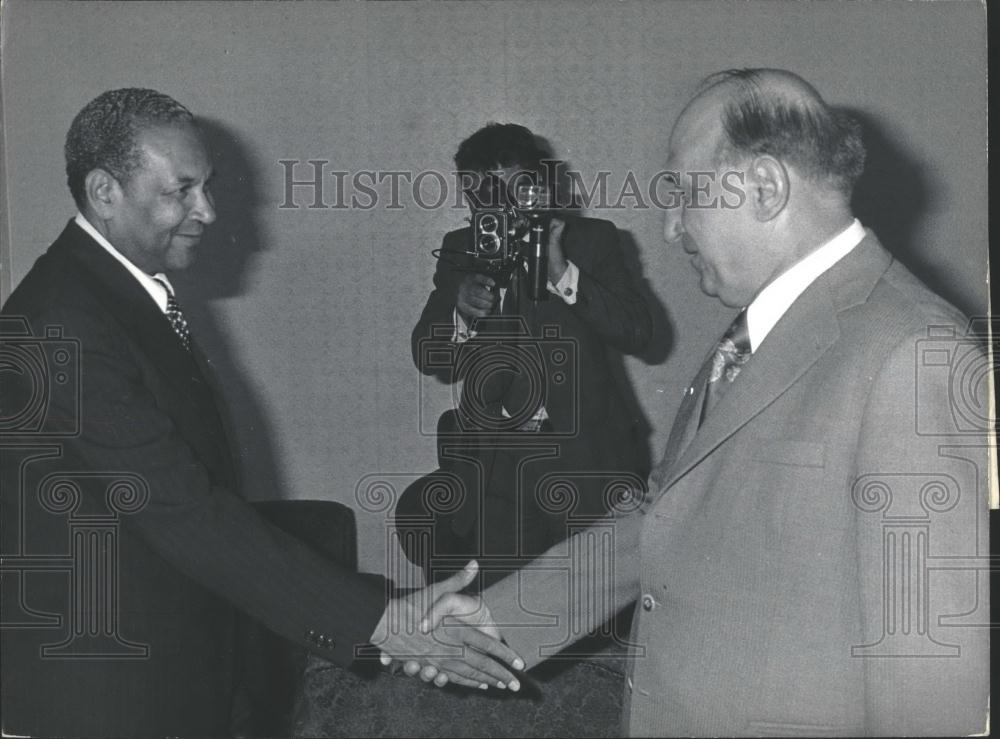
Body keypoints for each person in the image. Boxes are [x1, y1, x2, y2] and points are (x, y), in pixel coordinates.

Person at [418, 69, 990, 736]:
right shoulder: (761, 330)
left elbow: (930, 679)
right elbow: (664, 519)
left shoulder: (914, 352)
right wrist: (501, 618)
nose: (670, 228)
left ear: (766, 188)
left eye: (685, 194)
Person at [0, 88, 521, 738]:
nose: (209, 211)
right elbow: (185, 508)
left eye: (207, 187)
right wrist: (388, 622)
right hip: (110, 694)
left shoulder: (111, 296)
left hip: (177, 663)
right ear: (105, 192)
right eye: (182, 191)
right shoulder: (63, 325)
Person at [397, 123, 652, 588]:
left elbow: (640, 331)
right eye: (483, 194)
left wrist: (564, 271)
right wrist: (460, 310)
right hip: (498, 461)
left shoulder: (593, 240)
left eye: (517, 188)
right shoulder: (462, 249)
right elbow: (428, 354)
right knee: (504, 595)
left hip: (586, 454)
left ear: (544, 186)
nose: (503, 205)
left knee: (594, 592)